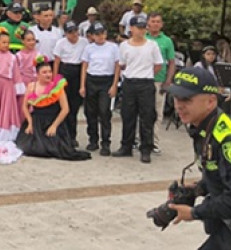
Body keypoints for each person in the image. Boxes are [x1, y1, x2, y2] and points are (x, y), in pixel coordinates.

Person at [166, 66, 231, 250]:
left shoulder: (229, 139)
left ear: (210, 101)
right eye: (176, 98)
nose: (179, 105)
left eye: (186, 99)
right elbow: (221, 172)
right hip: (226, 228)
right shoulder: (204, 126)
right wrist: (199, 188)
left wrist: (193, 213)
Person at [16, 57, 91, 160]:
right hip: (37, 121)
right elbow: (25, 106)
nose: (48, 74)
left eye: (50, 72)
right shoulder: (31, 86)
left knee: (53, 149)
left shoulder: (57, 87)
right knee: (28, 147)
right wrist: (30, 122)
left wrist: (54, 126)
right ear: (37, 74)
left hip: (53, 120)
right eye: (44, 72)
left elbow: (65, 109)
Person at [113, 15, 163, 163]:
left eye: (143, 28)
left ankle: (146, 148)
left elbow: (158, 64)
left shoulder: (152, 45)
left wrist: (147, 75)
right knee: (128, 115)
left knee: (147, 117)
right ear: (131, 28)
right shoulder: (124, 46)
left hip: (146, 83)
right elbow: (122, 64)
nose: (141, 31)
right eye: (138, 28)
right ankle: (126, 146)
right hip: (129, 83)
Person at [79, 22, 120, 156]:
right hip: (92, 80)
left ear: (106, 34)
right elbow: (84, 67)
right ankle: (93, 139)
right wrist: (82, 85)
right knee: (90, 112)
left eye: (102, 33)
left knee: (104, 112)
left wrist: (114, 85)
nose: (100, 36)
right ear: (92, 36)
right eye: (97, 34)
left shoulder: (113, 47)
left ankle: (106, 142)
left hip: (106, 81)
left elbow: (117, 67)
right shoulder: (89, 48)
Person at [52, 21, 87, 146]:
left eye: (75, 31)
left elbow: (85, 62)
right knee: (63, 106)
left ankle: (72, 136)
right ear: (66, 33)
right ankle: (62, 135)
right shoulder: (61, 43)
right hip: (65, 71)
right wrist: (55, 80)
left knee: (74, 107)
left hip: (77, 72)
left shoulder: (84, 42)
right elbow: (57, 62)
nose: (74, 34)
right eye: (70, 32)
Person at [146, 12, 177, 154]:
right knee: (142, 112)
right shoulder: (142, 38)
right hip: (142, 80)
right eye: (153, 21)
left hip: (159, 80)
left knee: (157, 114)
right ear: (148, 23)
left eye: (158, 21)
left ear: (162, 24)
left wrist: (168, 81)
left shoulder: (167, 41)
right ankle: (140, 140)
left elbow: (171, 62)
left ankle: (154, 142)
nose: (155, 24)